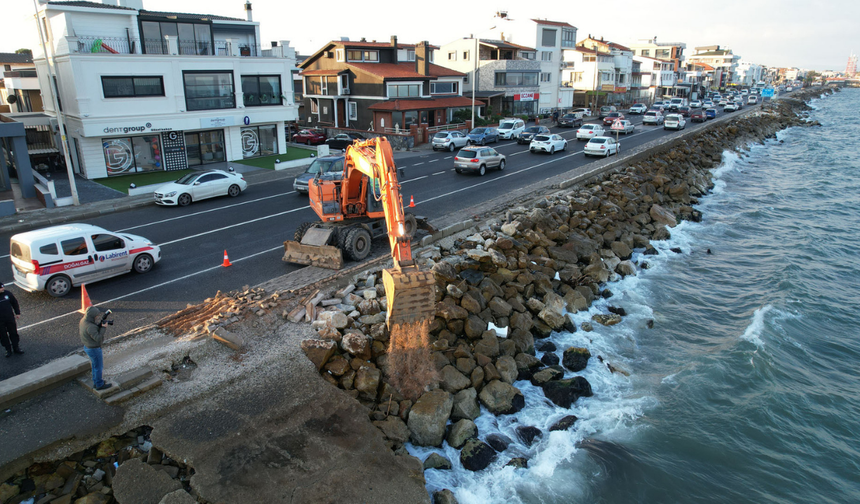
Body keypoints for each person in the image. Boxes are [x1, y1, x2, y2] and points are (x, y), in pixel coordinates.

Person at [79, 306, 111, 390]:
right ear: (92, 316)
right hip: (94, 348)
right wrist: (103, 327)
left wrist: (99, 326)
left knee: (94, 366)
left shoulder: (83, 321)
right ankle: (99, 384)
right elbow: (98, 338)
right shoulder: (90, 326)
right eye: (96, 315)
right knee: (98, 367)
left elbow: (92, 332)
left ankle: (96, 381)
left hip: (88, 346)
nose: (97, 317)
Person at [0, 282, 23, 358]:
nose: (3, 288)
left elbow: (14, 303)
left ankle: (16, 348)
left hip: (9, 318)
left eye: (3, 287)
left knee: (13, 333)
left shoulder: (7, 294)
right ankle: (8, 350)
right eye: (1, 287)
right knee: (3, 335)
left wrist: (17, 312)